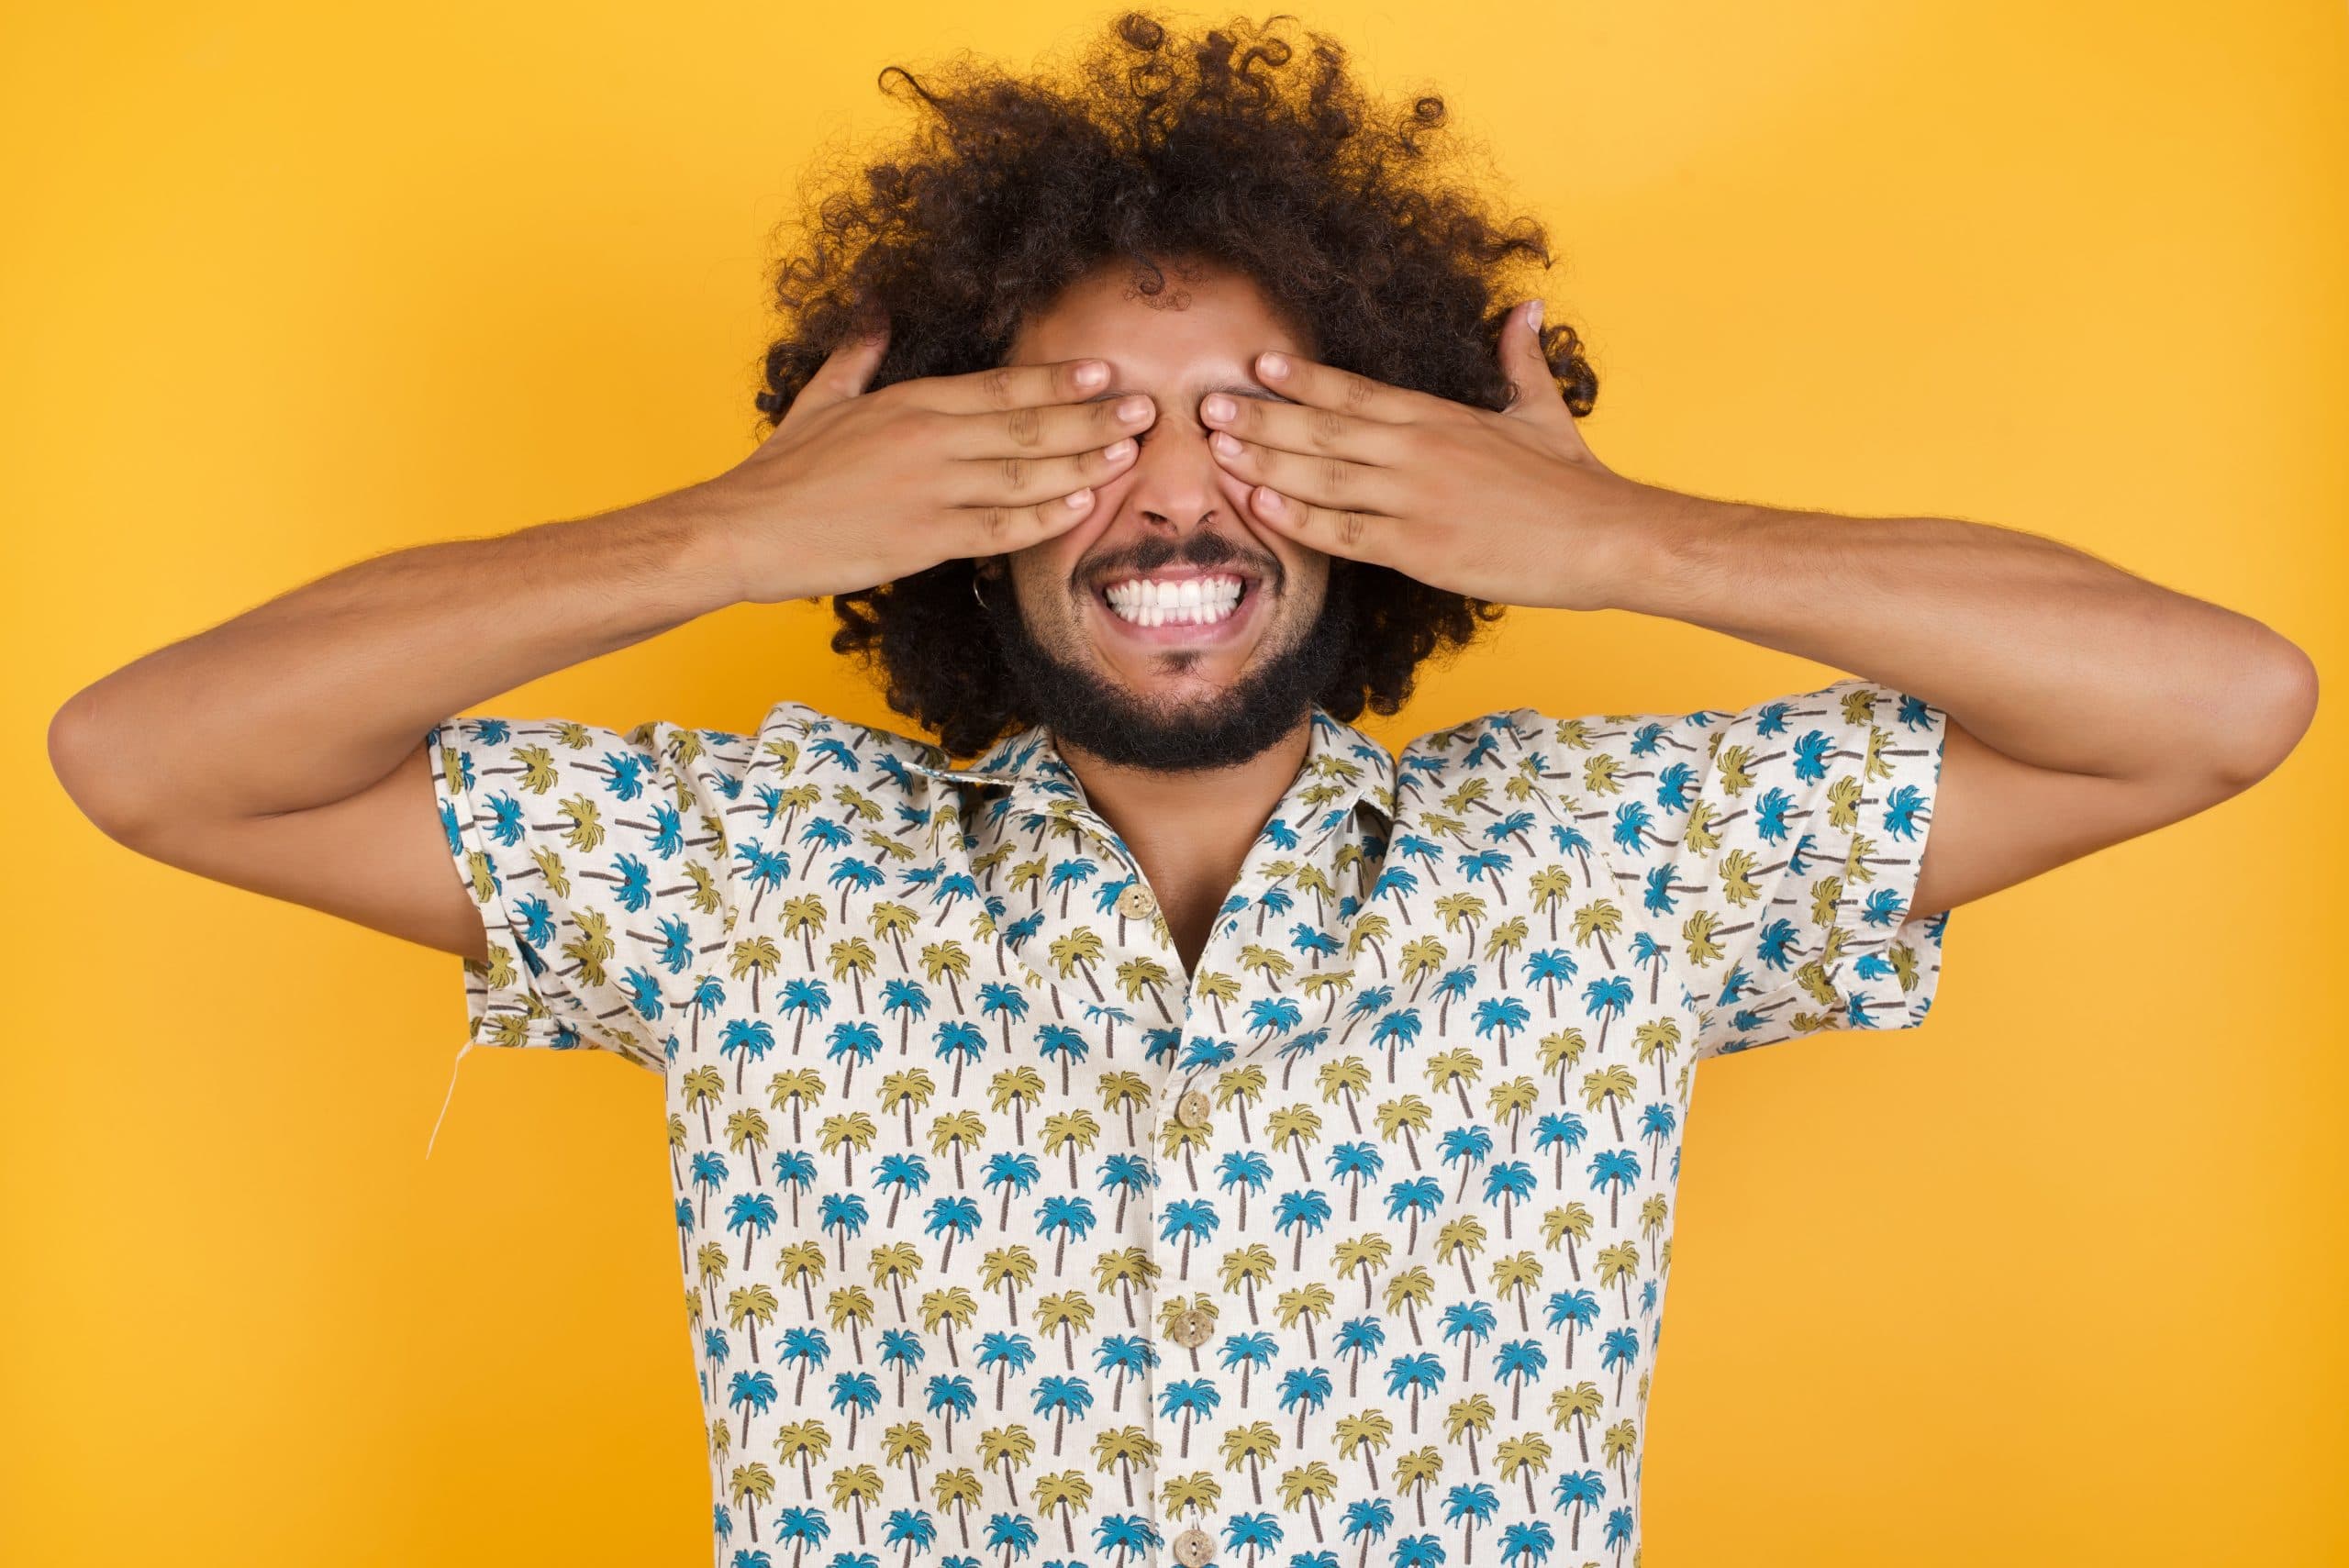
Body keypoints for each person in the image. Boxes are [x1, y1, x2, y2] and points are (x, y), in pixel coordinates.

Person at [47, 13, 2316, 1566]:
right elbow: (147, 759)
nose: (1169, 494)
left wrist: (1635, 545)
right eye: (1071, 423)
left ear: (1394, 471)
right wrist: (723, 535)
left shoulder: (1620, 862)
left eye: (1260, 415)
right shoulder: (737, 877)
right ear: (934, 486)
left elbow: (2211, 701)